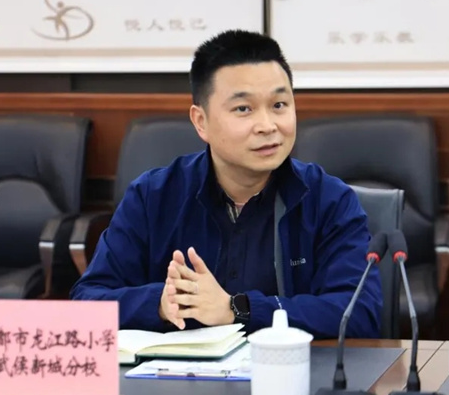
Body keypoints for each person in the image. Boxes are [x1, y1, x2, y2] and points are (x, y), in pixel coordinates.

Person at [70, 29, 382, 339]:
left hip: (290, 369)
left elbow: (359, 313)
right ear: (201, 121)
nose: (267, 126)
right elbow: (86, 303)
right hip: (177, 372)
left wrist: (238, 309)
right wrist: (162, 304)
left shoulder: (329, 200)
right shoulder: (152, 197)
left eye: (279, 105)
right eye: (243, 109)